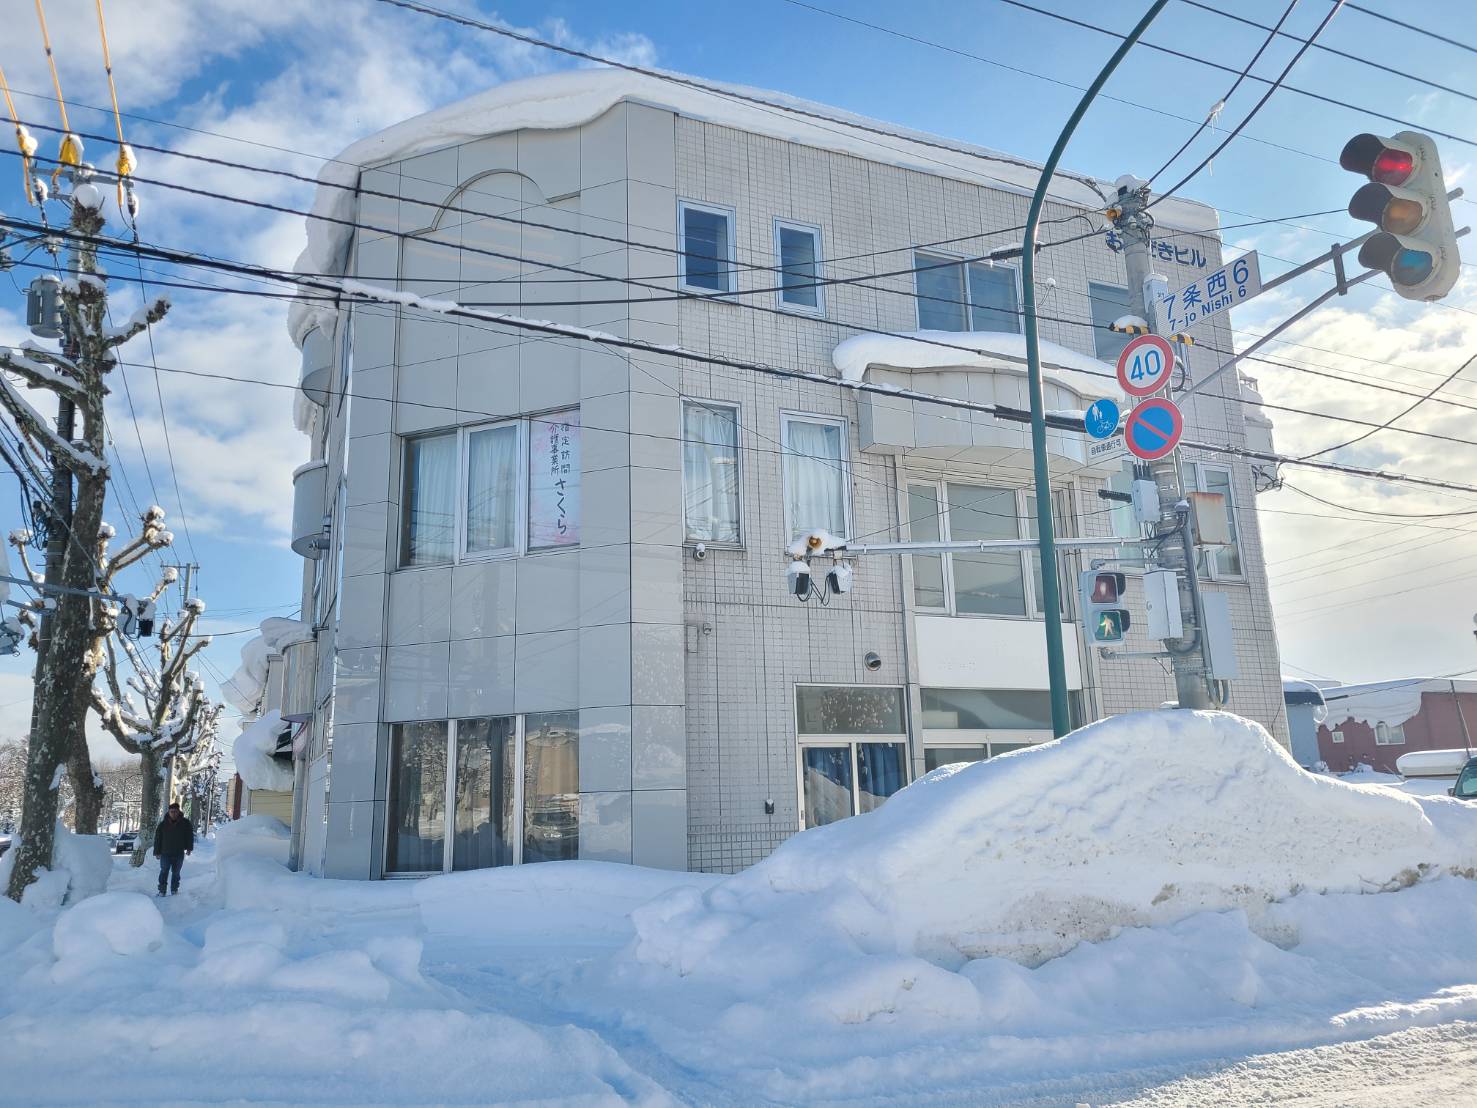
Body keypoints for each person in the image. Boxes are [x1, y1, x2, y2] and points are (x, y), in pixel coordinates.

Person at [153, 801, 194, 897]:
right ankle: (162, 890)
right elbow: (158, 839)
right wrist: (157, 852)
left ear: (179, 812)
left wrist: (189, 848)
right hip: (165, 853)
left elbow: (189, 836)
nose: (173, 814)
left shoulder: (185, 823)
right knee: (164, 871)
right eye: (171, 811)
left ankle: (174, 889)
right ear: (169, 812)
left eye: (175, 811)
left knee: (176, 872)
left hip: (179, 853)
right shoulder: (163, 824)